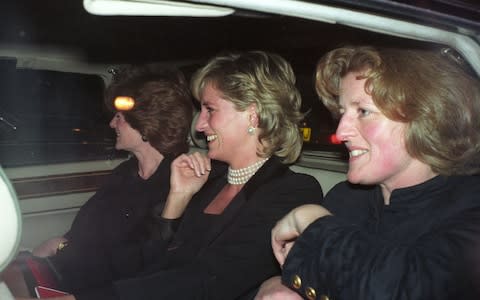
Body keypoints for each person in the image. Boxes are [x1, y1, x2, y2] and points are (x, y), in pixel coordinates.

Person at [14, 50, 324, 300]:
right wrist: (178, 197)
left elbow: (210, 281)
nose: (200, 125)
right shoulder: (208, 180)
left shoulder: (291, 191)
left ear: (253, 115)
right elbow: (143, 262)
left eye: (210, 109)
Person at [255, 46, 480, 300]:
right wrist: (274, 285)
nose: (340, 133)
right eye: (342, 113)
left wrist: (314, 224)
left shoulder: (470, 207)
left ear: (427, 118)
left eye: (363, 111)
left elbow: (411, 289)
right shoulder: (347, 198)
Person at [4, 64, 194, 296]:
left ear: (146, 123)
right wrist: (57, 246)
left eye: (119, 117)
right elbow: (85, 226)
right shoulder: (125, 173)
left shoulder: (175, 185)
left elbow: (138, 263)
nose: (112, 124)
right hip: (67, 273)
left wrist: (62, 247)